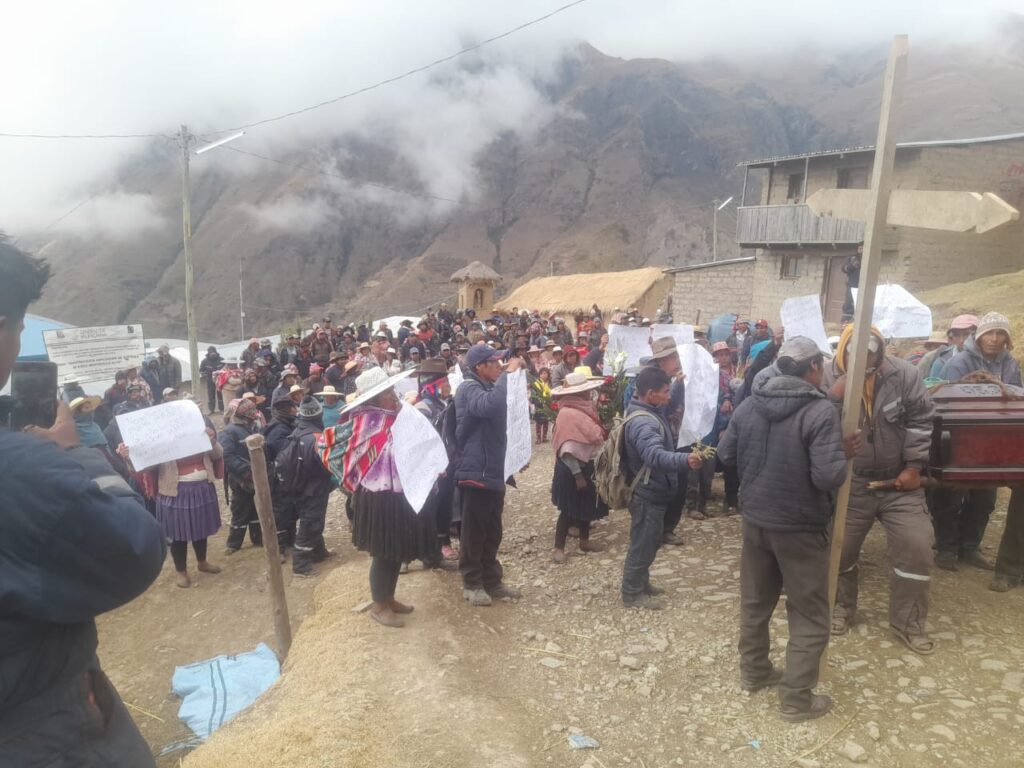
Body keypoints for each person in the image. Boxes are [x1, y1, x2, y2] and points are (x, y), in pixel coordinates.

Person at [0, 236, 165, 766]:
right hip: (40, 735)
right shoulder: (24, 470)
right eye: (17, 329)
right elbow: (133, 549)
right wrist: (78, 454)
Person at [719, 336, 851, 722]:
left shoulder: (749, 404)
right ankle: (796, 699)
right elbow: (828, 477)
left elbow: (725, 455)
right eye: (821, 366)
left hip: (756, 522)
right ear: (814, 367)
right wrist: (841, 454)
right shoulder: (819, 412)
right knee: (809, 612)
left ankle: (755, 671)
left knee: (755, 602)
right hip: (800, 528)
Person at [825, 324, 937, 655]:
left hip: (899, 482)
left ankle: (908, 622)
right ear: (843, 351)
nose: (864, 360)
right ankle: (840, 608)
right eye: (855, 354)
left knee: (917, 546)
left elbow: (921, 420)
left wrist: (914, 467)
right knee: (839, 549)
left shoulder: (905, 375)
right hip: (851, 482)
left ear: (881, 352)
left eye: (870, 354)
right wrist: (834, 400)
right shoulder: (827, 378)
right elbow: (813, 424)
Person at [322, 369, 436, 627]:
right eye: (387, 393)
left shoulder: (397, 416)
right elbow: (332, 445)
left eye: (392, 390)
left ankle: (389, 597)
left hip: (398, 492)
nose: (393, 396)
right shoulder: (365, 421)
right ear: (373, 398)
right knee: (383, 552)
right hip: (377, 496)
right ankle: (379, 605)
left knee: (395, 548)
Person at [933, 311, 1022, 572]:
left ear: (1007, 338)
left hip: (995, 443)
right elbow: (945, 399)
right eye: (989, 333)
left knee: (985, 499)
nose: (994, 338)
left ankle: (970, 547)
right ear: (979, 336)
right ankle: (946, 549)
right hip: (961, 438)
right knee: (950, 495)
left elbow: (1016, 398)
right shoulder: (959, 362)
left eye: (1000, 333)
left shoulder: (1011, 364)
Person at [620, 367, 702, 609]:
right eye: (665, 392)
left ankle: (641, 582)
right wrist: (685, 460)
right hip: (647, 494)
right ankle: (631, 593)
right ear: (650, 394)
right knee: (643, 544)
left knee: (650, 540)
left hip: (653, 490)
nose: (668, 397)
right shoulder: (644, 423)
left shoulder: (649, 409)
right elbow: (654, 456)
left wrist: (678, 384)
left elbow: (669, 402)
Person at [454, 344, 525, 606]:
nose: (499, 366)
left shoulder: (487, 386)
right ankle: (472, 583)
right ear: (479, 367)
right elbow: (490, 407)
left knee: (493, 530)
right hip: (476, 472)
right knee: (474, 531)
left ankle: (492, 581)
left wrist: (518, 455)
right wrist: (509, 375)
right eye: (493, 362)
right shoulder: (468, 388)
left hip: (493, 470)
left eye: (500, 362)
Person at [123, 424, 224, 588]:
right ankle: (181, 571)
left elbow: (218, 454)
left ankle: (202, 562)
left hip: (203, 488)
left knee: (201, 529)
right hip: (175, 492)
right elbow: (146, 466)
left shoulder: (199, 433)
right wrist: (130, 456)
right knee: (178, 534)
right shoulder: (163, 441)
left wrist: (211, 441)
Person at [549, 370, 608, 564]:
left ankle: (584, 540)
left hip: (587, 465)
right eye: (585, 391)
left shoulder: (585, 410)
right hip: (571, 469)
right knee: (568, 509)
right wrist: (577, 475)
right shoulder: (567, 414)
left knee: (587, 505)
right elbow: (567, 448)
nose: (588, 394)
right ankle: (558, 548)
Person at [279, 397, 335, 577]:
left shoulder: (297, 431)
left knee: (311, 520)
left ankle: (319, 552)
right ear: (319, 415)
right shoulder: (316, 437)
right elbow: (324, 465)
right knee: (310, 524)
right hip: (314, 488)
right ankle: (301, 565)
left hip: (298, 486)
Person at [414, 359, 460, 563]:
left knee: (445, 504)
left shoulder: (446, 403)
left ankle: (443, 541)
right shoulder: (421, 408)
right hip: (431, 468)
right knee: (431, 505)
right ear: (433, 384)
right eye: (445, 382)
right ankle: (432, 547)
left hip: (447, 464)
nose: (448, 385)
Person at [218, 397, 264, 553]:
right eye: (250, 411)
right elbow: (227, 456)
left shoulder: (253, 426)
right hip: (240, 478)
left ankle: (258, 538)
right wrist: (246, 471)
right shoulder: (228, 432)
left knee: (256, 507)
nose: (254, 413)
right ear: (241, 413)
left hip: (256, 474)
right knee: (240, 509)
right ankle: (233, 543)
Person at [926, 315, 978, 379]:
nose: (961, 340)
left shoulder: (987, 359)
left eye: (966, 334)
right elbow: (934, 385)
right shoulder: (941, 362)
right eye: (956, 335)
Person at [199, 346, 225, 413]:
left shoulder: (222, 360)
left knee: (220, 394)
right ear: (208, 353)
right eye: (211, 353)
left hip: (220, 380)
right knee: (211, 395)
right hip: (210, 381)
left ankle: (222, 409)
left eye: (214, 352)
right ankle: (211, 410)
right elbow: (201, 370)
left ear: (216, 352)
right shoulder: (204, 361)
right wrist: (204, 374)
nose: (213, 354)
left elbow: (226, 368)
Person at [532, 367, 552, 444]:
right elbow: (534, 394)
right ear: (539, 375)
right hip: (539, 405)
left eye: (545, 373)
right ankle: (538, 438)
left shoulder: (550, 384)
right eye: (541, 373)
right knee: (538, 422)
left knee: (546, 422)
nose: (543, 375)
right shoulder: (537, 383)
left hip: (547, 405)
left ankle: (544, 437)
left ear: (548, 374)